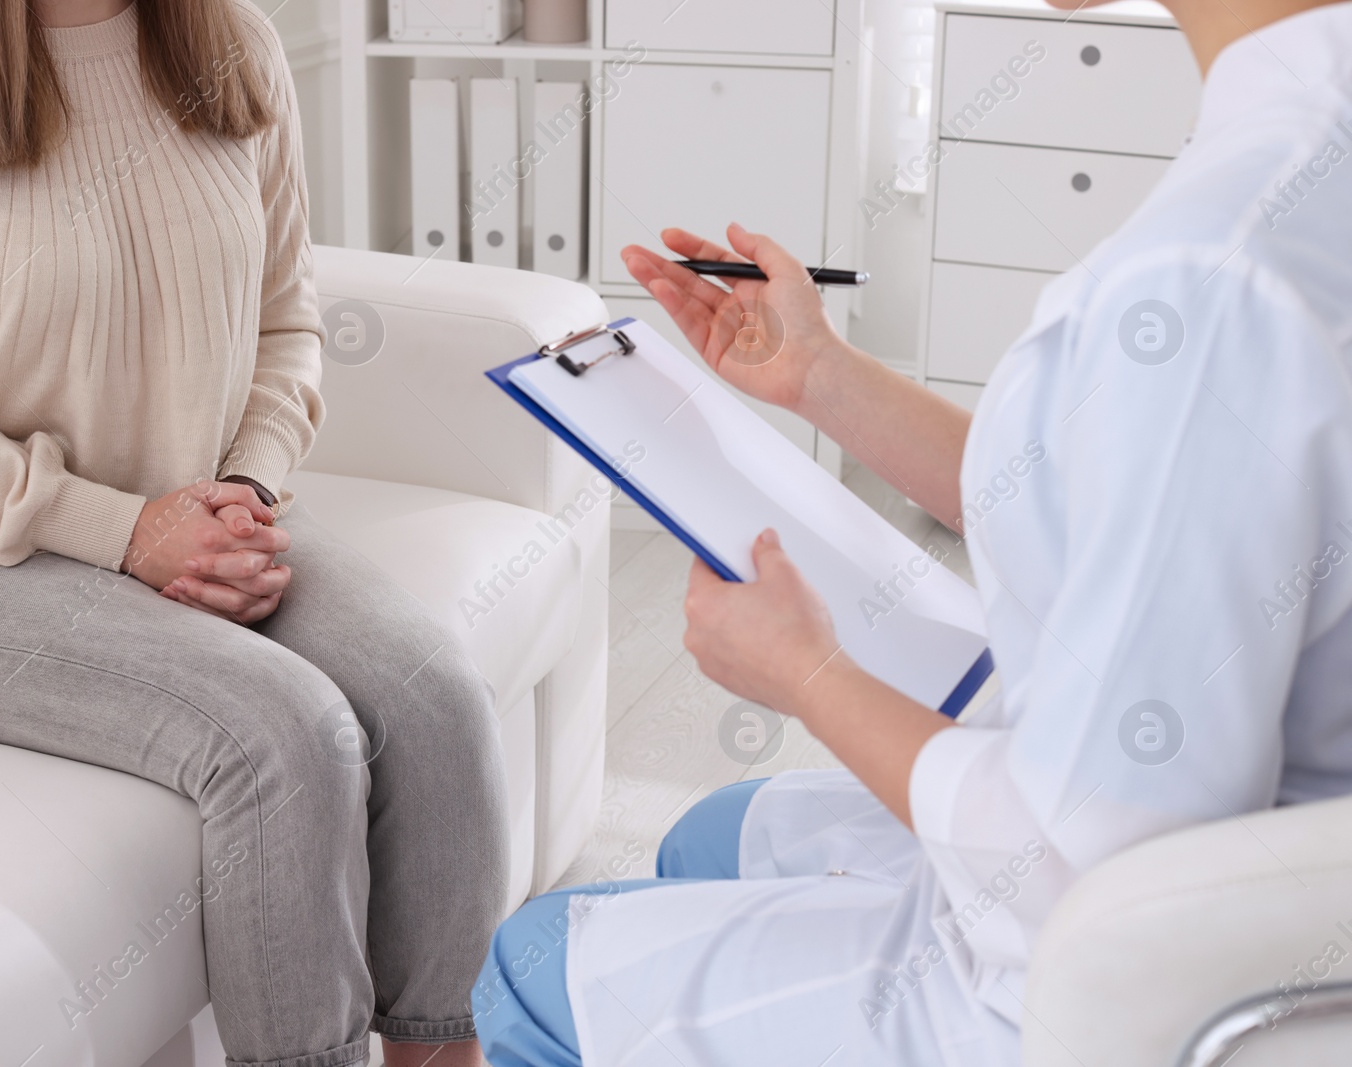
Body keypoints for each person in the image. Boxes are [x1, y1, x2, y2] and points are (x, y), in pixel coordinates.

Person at [473, 0, 1352, 1063]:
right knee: (711, 831)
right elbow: (1122, 489)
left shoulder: (1210, 269)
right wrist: (826, 380)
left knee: (529, 967)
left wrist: (810, 675)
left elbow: (1090, 864)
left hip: (1111, 975)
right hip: (1258, 858)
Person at [0, 1, 506, 1065]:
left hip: (210, 510)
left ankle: (447, 1051)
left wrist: (239, 490)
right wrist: (128, 531)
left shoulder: (234, 42)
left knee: (432, 690)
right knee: (290, 734)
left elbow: (287, 322)